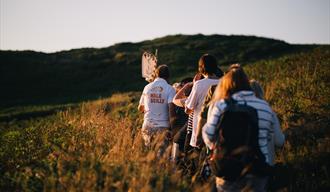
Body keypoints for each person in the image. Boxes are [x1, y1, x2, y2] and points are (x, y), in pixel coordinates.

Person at [202, 64, 285, 191]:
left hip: (227, 169)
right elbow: (280, 141)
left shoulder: (221, 105)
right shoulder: (264, 107)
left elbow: (208, 136)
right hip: (257, 169)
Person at [185, 54, 220, 149]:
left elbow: (188, 109)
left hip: (200, 132)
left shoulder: (199, 84)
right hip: (218, 132)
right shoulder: (223, 83)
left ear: (201, 67)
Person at [138, 65, 176, 147]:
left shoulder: (147, 87)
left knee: (149, 154)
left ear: (156, 74)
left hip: (147, 125)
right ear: (168, 76)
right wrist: (173, 128)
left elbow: (140, 108)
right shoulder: (170, 89)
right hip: (163, 126)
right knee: (161, 156)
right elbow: (171, 109)